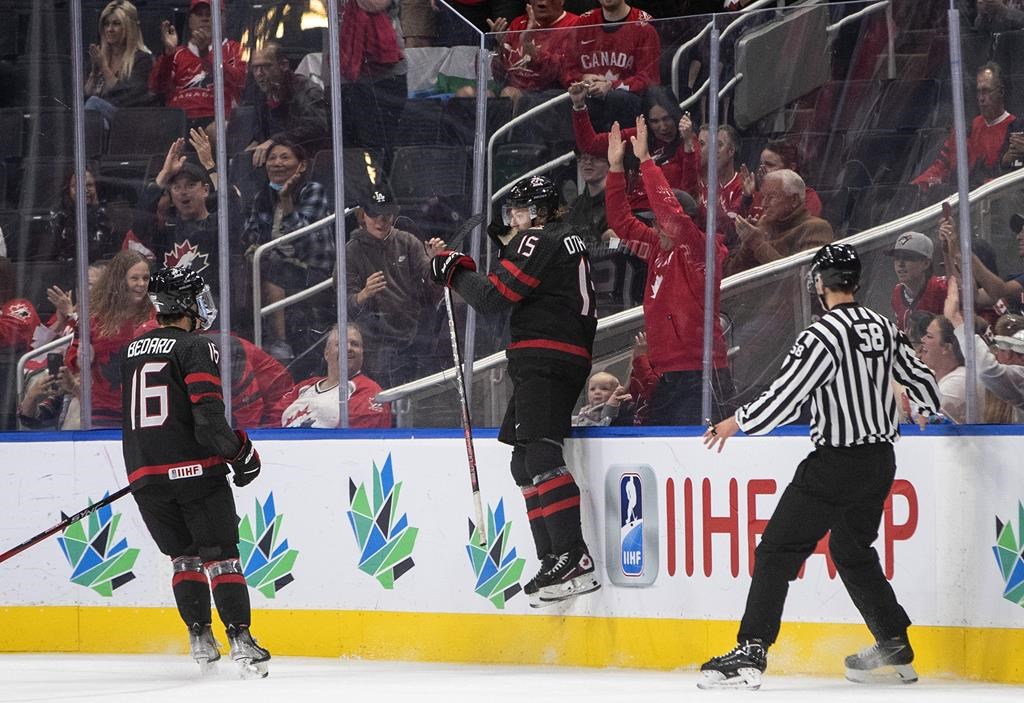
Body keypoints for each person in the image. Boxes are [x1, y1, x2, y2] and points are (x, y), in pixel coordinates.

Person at [700, 243, 941, 690]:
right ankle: (892, 641)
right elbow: (921, 376)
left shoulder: (822, 335)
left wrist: (738, 421)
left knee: (776, 551)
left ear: (819, 283)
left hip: (836, 462)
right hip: (879, 462)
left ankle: (751, 649)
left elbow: (787, 395)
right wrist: (926, 405)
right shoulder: (883, 326)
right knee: (851, 551)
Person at [429, 174, 599, 607]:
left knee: (540, 454)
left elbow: (491, 298)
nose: (514, 220)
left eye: (520, 211)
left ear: (540, 211)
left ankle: (572, 554)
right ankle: (552, 557)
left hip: (547, 354)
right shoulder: (565, 240)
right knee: (523, 462)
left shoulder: (539, 239)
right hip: (550, 355)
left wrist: (453, 270)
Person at [121, 266, 270, 678]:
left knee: (183, 558)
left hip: (144, 477)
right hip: (196, 475)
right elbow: (207, 420)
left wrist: (148, 472)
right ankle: (241, 641)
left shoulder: (130, 351)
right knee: (221, 558)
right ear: (187, 303)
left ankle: (200, 639)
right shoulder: (194, 347)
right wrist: (240, 453)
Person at [605, 117, 731, 425]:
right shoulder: (657, 246)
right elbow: (621, 222)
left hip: (700, 372)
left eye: (656, 220)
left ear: (685, 221)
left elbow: (671, 217)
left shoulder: (700, 249)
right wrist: (616, 169)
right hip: (666, 374)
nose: (652, 225)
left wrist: (647, 162)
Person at [240, 136, 333, 363]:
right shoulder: (263, 196)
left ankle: (280, 343)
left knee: (271, 267)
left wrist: (287, 201)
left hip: (311, 271)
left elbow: (303, 239)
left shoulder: (313, 191)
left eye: (284, 157)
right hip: (274, 264)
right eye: (272, 158)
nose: (277, 163)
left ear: (301, 165)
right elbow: (249, 233)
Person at [345, 189, 445, 388]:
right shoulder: (352, 250)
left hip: (412, 331)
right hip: (374, 338)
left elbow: (430, 281)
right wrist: (364, 294)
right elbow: (344, 302)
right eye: (374, 215)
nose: (380, 222)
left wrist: (436, 262)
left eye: (386, 215)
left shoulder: (408, 242)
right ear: (362, 215)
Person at [65, 250, 155, 427]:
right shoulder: (92, 318)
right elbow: (72, 359)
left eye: (145, 278)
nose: (141, 284)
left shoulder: (157, 316)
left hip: (145, 413)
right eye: (134, 278)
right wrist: (81, 360)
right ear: (119, 281)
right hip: (102, 413)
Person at [912, 63, 1016, 194]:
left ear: (1001, 91)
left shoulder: (1014, 131)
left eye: (986, 91)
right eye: (979, 92)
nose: (982, 98)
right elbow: (941, 165)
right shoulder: (968, 129)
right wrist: (919, 186)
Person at [559, 0, 661, 132]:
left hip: (629, 103)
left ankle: (625, 151)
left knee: (616, 98)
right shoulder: (584, 22)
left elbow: (649, 78)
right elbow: (566, 69)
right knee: (558, 100)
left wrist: (612, 85)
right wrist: (582, 78)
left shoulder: (644, 25)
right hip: (589, 98)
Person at [149, 0, 247, 129]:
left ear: (223, 19)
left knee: (218, 131)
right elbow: (156, 88)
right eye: (199, 14)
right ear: (190, 20)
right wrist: (168, 54)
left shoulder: (235, 49)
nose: (205, 18)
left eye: (210, 13)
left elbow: (241, 82)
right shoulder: (177, 53)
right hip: (178, 121)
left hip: (217, 118)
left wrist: (206, 56)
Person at [723, 169, 834, 277]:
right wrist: (747, 243)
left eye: (771, 197)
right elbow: (730, 275)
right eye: (762, 197)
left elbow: (803, 279)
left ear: (794, 200)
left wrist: (758, 244)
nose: (763, 204)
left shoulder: (816, 228)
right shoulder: (764, 226)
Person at [279, 323, 392, 428]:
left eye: (355, 344)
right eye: (341, 343)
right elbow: (273, 419)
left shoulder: (369, 389)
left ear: (362, 353)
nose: (348, 348)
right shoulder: (304, 387)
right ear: (326, 353)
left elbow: (355, 437)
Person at [244, 42, 329, 167]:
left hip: (305, 161)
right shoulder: (260, 93)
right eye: (255, 68)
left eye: (266, 66)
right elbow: (260, 132)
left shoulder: (307, 91)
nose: (259, 73)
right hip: (274, 160)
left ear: (283, 65)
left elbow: (317, 127)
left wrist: (275, 141)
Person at [489, 0, 579, 106]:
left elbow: (565, 77)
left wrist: (533, 53)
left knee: (509, 93)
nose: (541, 2)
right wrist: (499, 47)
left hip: (549, 99)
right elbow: (499, 77)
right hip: (511, 95)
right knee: (469, 93)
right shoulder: (518, 24)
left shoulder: (576, 25)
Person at [84, 0, 155, 126]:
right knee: (95, 117)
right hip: (101, 122)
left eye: (116, 24)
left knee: (94, 104)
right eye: (106, 24)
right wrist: (94, 73)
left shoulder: (142, 60)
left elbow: (125, 97)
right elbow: (85, 97)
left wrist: (104, 67)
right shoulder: (98, 57)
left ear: (129, 27)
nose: (110, 29)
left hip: (128, 121)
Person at [741, 139, 822, 221]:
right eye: (761, 164)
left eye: (770, 165)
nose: (761, 169)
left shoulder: (808, 197)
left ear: (791, 167)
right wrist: (747, 198)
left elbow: (802, 230)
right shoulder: (759, 194)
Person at [49, 168, 117, 263]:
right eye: (77, 186)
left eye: (89, 185)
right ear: (68, 190)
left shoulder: (108, 215)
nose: (84, 190)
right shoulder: (59, 217)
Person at [888, 231, 947, 332]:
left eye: (908, 258)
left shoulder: (943, 288)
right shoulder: (897, 292)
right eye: (897, 258)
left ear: (926, 263)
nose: (900, 264)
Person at [917, 314, 971, 423]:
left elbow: (919, 420)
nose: (922, 340)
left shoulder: (959, 380)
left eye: (929, 336)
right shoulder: (933, 375)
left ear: (946, 348)